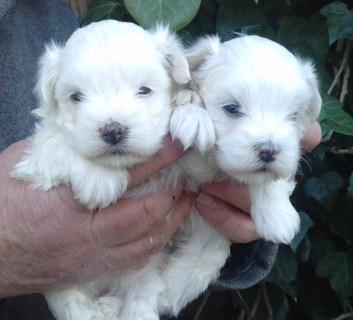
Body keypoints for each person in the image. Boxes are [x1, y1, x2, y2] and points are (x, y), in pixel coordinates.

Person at [0, 0, 322, 319]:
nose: (113, 126)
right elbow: (48, 135)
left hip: (153, 273)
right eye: (79, 97)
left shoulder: (58, 16)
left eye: (143, 92)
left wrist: (251, 208)